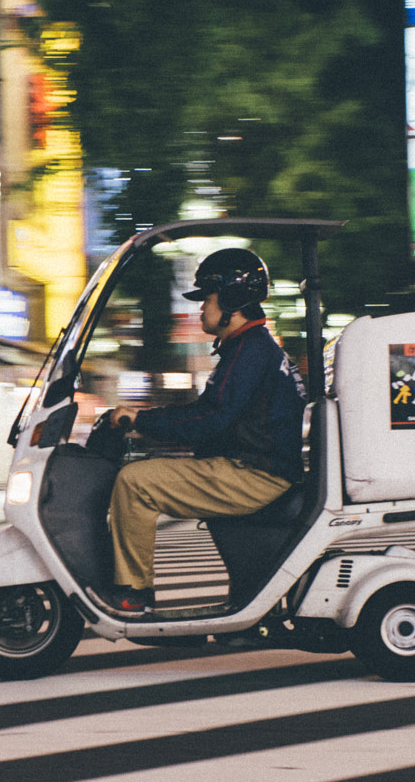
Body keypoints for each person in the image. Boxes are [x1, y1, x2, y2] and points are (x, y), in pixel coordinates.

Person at [101, 248, 306, 614]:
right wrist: (151, 428)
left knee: (135, 481)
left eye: (206, 300)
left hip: (255, 474)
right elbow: (211, 417)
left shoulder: (250, 351)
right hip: (260, 468)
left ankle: (133, 593)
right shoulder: (251, 348)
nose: (201, 309)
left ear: (231, 299)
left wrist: (139, 419)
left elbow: (210, 418)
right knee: (150, 470)